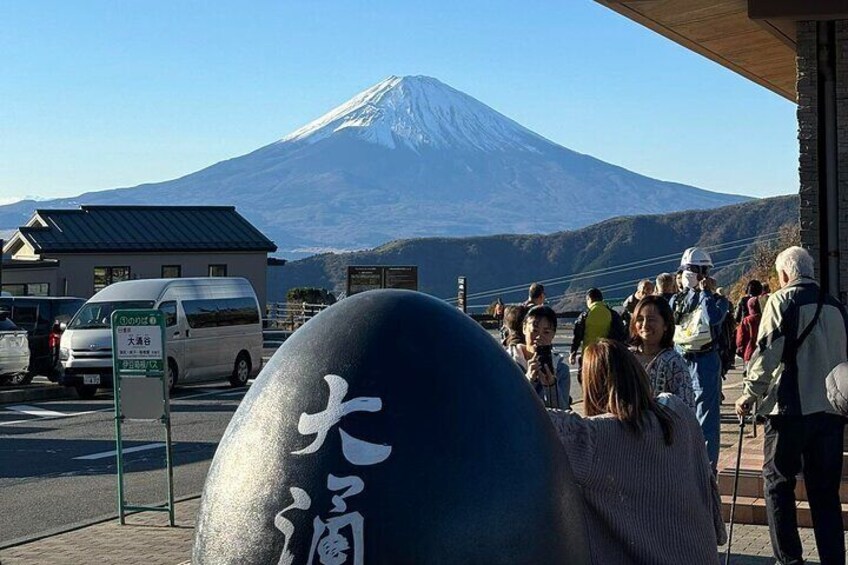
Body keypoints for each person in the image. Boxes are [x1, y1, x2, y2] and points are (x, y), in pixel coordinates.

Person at [547, 339, 726, 564]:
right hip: (701, 555)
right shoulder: (677, 412)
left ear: (592, 385)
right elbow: (705, 479)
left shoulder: (594, 438)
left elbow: (535, 421)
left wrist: (528, 381)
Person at [735, 246, 848, 565]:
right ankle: (833, 559)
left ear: (785, 274)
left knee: (777, 485)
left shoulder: (782, 301)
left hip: (790, 412)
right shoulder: (836, 306)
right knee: (825, 495)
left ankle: (789, 559)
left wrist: (749, 394)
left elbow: (767, 352)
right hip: (831, 413)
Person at [669, 247, 727, 470]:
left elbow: (712, 318)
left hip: (705, 362)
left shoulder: (717, 301)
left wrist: (703, 293)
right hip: (683, 359)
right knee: (680, 414)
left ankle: (706, 470)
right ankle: (684, 465)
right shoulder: (677, 300)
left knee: (707, 420)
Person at [629, 295, 695, 410]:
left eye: (651, 320)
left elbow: (686, 409)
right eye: (640, 319)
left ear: (665, 325)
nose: (644, 325)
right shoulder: (626, 358)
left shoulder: (674, 362)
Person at [507, 305, 570, 409]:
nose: (539, 337)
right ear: (524, 328)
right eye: (534, 330)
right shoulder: (508, 362)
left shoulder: (561, 370)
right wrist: (529, 379)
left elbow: (563, 415)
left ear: (553, 334)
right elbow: (506, 404)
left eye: (546, 332)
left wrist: (551, 387)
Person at [569, 288, 626, 382]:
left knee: (586, 380)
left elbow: (577, 335)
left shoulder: (585, 315)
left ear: (589, 299)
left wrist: (573, 352)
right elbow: (620, 335)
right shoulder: (612, 314)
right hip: (607, 355)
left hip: (588, 354)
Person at [735, 296, 761, 372]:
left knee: (748, 375)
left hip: (749, 351)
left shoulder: (747, 320)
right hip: (763, 352)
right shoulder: (764, 318)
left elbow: (740, 338)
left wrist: (740, 348)